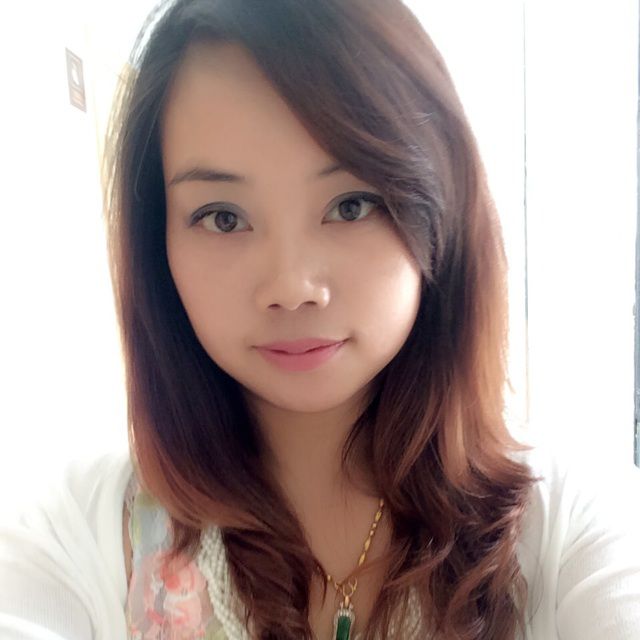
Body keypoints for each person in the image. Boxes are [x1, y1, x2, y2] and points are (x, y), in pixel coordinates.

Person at [1, 0, 640, 638]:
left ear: (439, 207)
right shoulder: (80, 532)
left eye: (351, 204)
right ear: (157, 241)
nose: (290, 287)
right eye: (223, 216)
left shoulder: (566, 526)